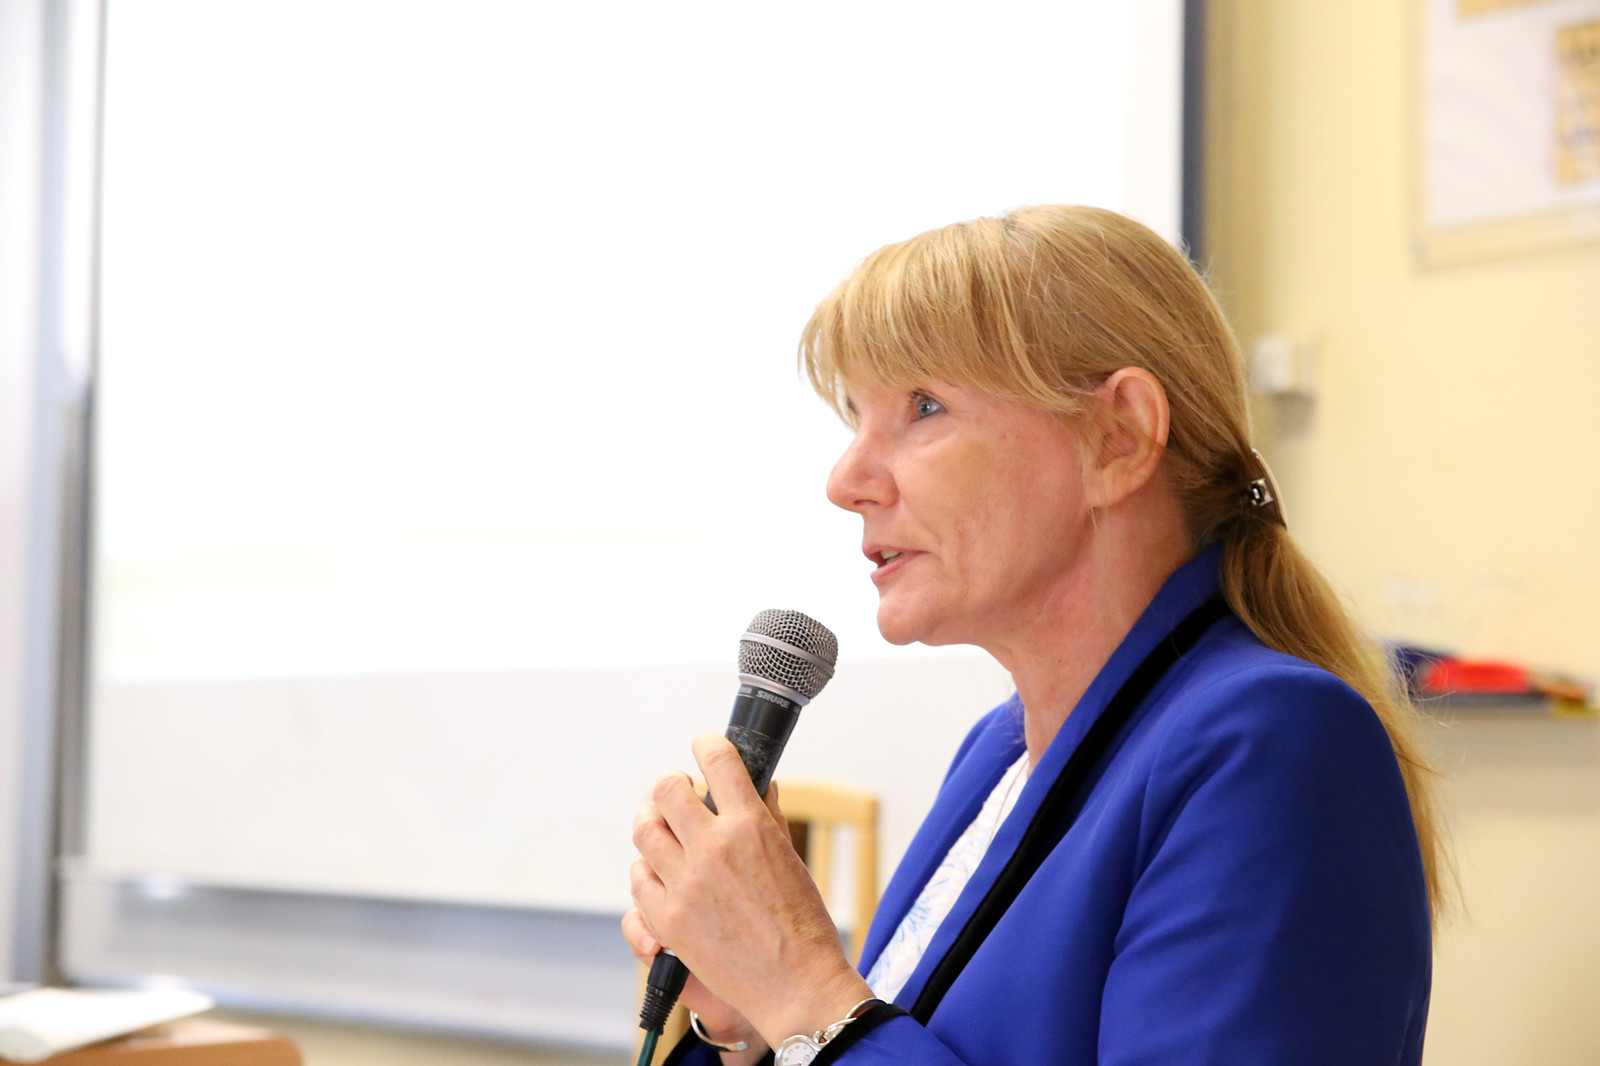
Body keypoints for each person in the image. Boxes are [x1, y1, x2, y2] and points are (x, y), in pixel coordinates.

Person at [624, 205, 1445, 1066]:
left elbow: (843, 1026)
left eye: (923, 407)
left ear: (1119, 436)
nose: (846, 479)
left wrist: (803, 991)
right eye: (854, 420)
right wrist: (752, 1025)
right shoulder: (996, 754)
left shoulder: (1273, 743)